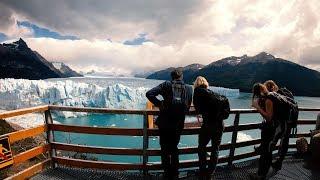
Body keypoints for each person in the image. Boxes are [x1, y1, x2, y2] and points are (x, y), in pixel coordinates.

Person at [146, 68, 193, 179]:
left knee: (165, 149)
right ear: (181, 77)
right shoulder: (189, 88)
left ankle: (167, 174)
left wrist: (160, 104)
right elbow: (188, 104)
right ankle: (175, 174)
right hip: (178, 123)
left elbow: (149, 94)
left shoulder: (166, 85)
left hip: (165, 123)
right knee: (174, 148)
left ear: (171, 77)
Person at [193, 76, 230, 180]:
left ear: (196, 84)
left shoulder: (197, 91)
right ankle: (210, 173)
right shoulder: (214, 94)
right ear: (206, 83)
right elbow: (225, 114)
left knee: (201, 147)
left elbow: (198, 109)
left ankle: (202, 171)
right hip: (219, 125)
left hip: (208, 124)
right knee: (215, 149)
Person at [264, 80, 296, 171]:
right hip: (289, 122)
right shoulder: (286, 95)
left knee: (271, 143)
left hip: (281, 123)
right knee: (285, 141)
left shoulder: (275, 96)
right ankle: (279, 162)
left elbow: (271, 114)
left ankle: (265, 167)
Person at [250, 83, 276, 180]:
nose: (257, 96)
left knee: (266, 152)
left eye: (257, 93)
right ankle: (263, 174)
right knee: (267, 151)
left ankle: (260, 175)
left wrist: (258, 107)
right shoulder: (268, 98)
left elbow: (269, 117)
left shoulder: (269, 99)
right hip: (270, 128)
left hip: (270, 129)